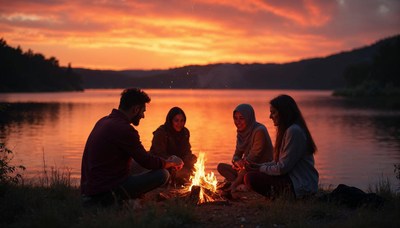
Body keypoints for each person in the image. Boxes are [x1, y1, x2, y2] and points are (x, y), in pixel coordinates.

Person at [80, 88, 184, 207]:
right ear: (135, 109)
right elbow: (147, 162)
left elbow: (143, 157)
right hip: (103, 193)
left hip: (90, 189)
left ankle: (124, 195)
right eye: (142, 111)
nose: (143, 116)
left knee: (144, 158)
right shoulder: (125, 129)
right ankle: (118, 201)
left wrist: (162, 161)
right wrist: (169, 163)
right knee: (163, 174)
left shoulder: (103, 121)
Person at [244, 94, 319, 199]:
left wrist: (261, 169)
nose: (270, 117)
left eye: (273, 112)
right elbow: (278, 162)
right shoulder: (288, 130)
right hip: (291, 180)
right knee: (252, 173)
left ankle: (284, 197)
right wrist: (258, 166)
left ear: (284, 112)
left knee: (250, 178)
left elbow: (282, 168)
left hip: (300, 186)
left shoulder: (294, 131)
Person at [217, 103, 273, 194]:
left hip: (260, 169)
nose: (238, 122)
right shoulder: (241, 133)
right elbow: (236, 155)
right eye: (235, 118)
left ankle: (234, 185)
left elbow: (253, 158)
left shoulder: (259, 131)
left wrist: (242, 163)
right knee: (221, 167)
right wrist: (236, 162)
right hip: (244, 168)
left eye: (241, 118)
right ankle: (241, 183)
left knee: (245, 170)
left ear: (249, 118)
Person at [149, 107, 197, 186]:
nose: (179, 124)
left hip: (179, 164)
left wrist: (190, 158)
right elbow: (158, 153)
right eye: (176, 120)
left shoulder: (185, 132)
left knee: (193, 164)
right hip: (162, 163)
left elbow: (186, 151)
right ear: (170, 120)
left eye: (182, 121)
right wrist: (172, 161)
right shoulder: (161, 132)